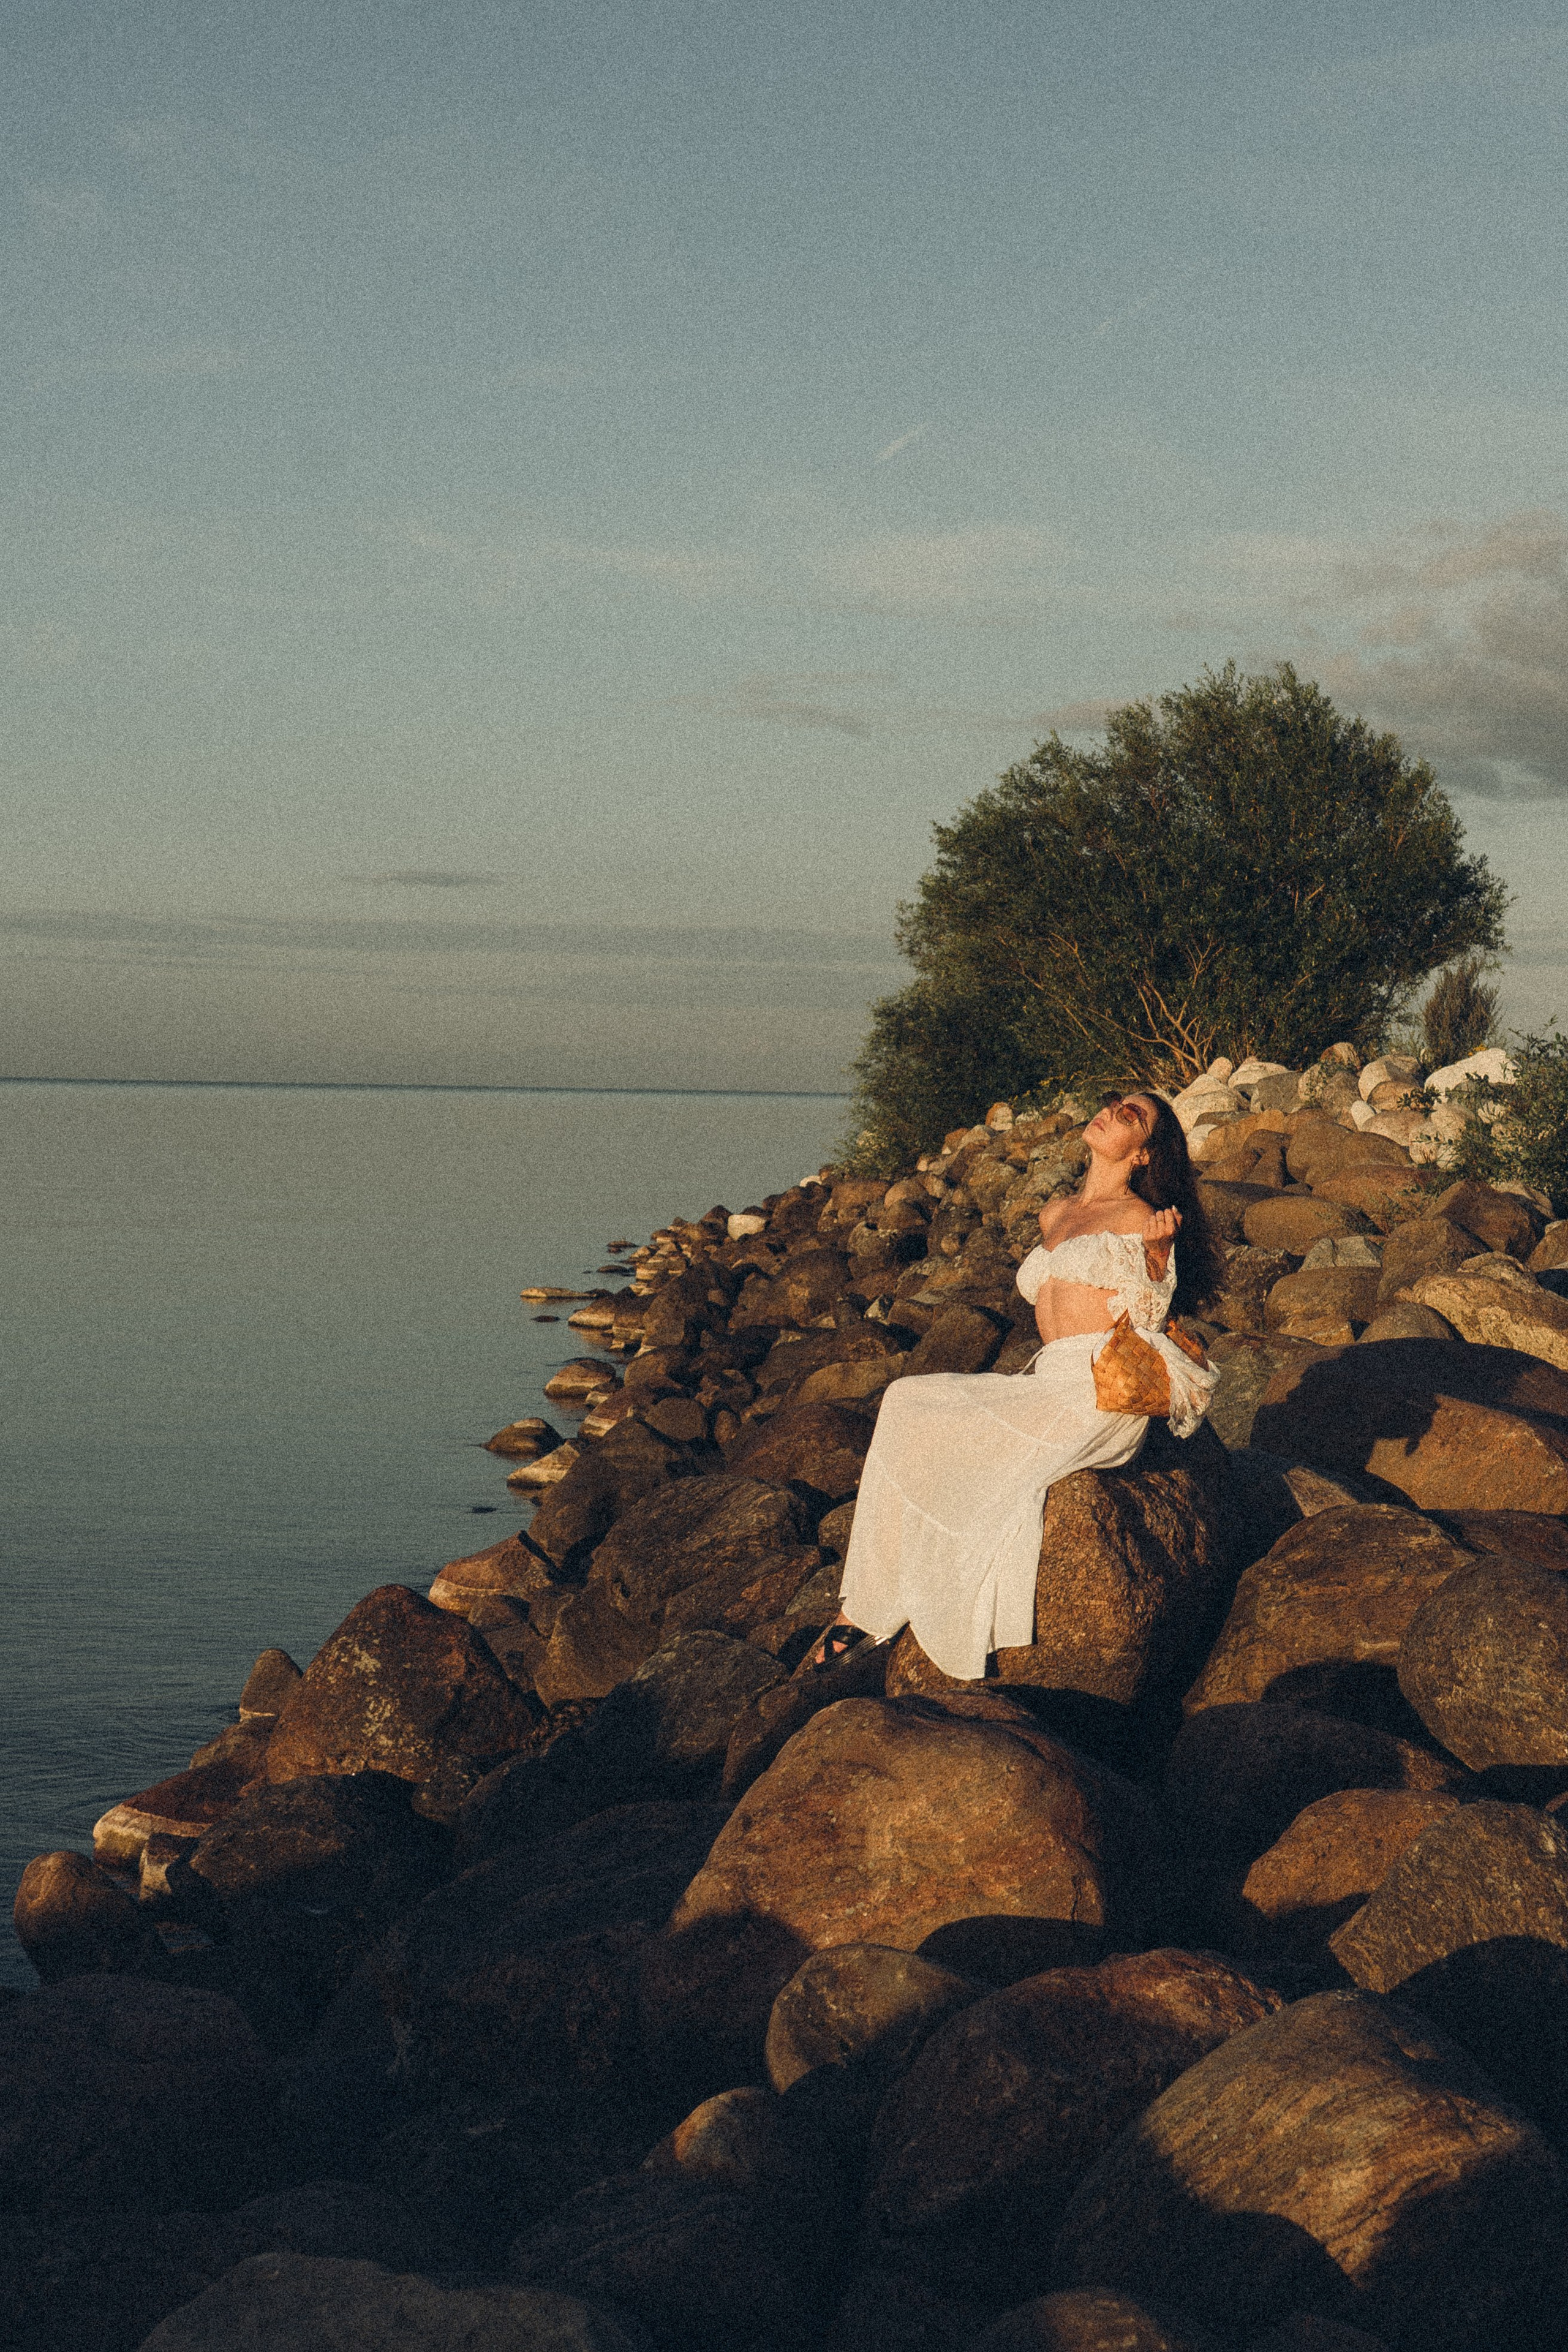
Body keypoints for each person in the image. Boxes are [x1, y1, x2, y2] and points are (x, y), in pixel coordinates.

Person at [812, 1092, 1223, 1681]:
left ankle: (871, 1614)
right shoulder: (1056, 1213)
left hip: (1097, 1392)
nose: (1110, 1112)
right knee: (906, 1400)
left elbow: (1146, 1323)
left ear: (1142, 1155)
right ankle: (872, 1600)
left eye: (1130, 1117)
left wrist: (1158, 1259)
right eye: (1113, 1103)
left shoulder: (1140, 1218)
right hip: (1048, 1378)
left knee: (941, 1434)